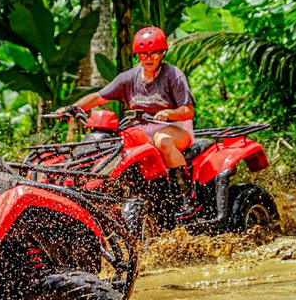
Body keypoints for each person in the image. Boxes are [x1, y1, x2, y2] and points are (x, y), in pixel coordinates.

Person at [61, 26, 196, 217]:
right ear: (138, 56)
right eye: (143, 55)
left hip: (174, 128)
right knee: (114, 146)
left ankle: (183, 197)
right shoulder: (128, 78)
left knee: (162, 141)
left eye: (153, 54)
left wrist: (168, 113)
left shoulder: (173, 75)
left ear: (162, 53)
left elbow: (187, 111)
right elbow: (99, 97)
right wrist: (72, 109)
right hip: (140, 129)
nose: (148, 59)